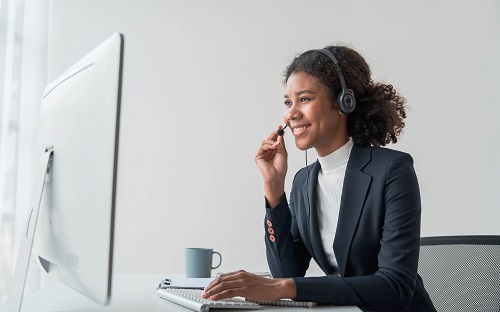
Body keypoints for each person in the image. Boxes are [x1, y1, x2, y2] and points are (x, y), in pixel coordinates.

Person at [202, 45, 437, 311]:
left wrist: (283, 288)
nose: (291, 113)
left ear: (343, 102)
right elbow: (286, 271)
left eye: (304, 99)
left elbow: (395, 287)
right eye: (288, 102)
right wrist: (274, 190)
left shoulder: (392, 170)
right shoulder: (304, 182)